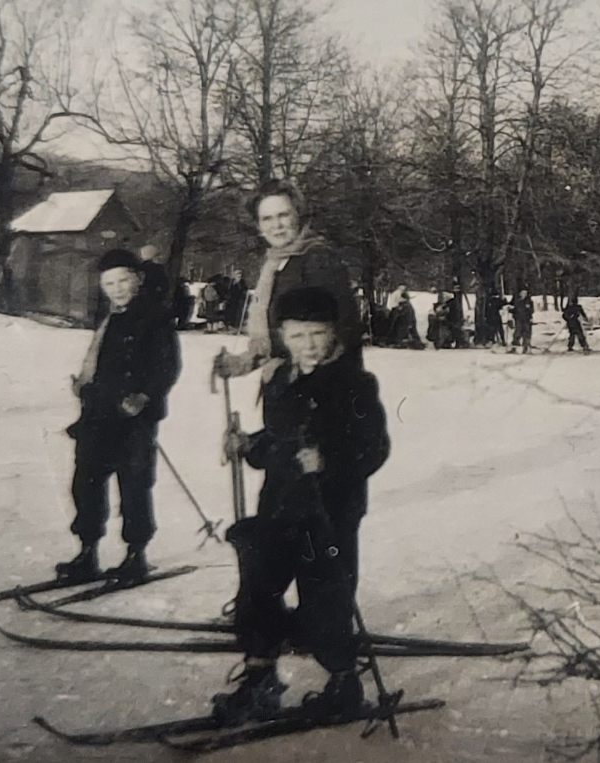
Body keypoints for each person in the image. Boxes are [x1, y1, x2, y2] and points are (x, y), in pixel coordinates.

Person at [214, 286, 389, 725]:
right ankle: (260, 679)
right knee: (258, 590)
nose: (307, 345)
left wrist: (329, 462)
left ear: (333, 334)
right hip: (278, 504)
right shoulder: (277, 379)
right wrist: (247, 445)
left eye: (316, 334)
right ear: (282, 336)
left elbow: (375, 448)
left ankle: (344, 683)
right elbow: (277, 439)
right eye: (296, 336)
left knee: (325, 596)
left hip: (327, 511)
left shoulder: (354, 383)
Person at [56, 249, 182, 586]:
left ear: (138, 279)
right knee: (86, 482)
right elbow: (99, 362)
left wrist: (144, 395)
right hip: (98, 415)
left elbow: (167, 366)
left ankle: (135, 555)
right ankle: (87, 552)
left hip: (133, 418)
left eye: (124, 280)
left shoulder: (156, 318)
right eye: (110, 283)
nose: (117, 288)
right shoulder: (108, 317)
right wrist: (85, 387)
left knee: (134, 484)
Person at [212, 180, 361, 380]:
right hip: (284, 384)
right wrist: (243, 362)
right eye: (267, 219)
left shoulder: (318, 259)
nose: (277, 226)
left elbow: (340, 333)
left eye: (283, 215)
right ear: (258, 225)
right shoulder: (275, 264)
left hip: (317, 387)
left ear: (298, 215)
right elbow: (278, 333)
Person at [509, 288, 535, 354]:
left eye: (525, 293)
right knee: (517, 333)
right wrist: (510, 310)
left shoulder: (529, 302)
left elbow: (531, 310)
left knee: (526, 334)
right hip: (519, 320)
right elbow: (515, 310)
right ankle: (514, 348)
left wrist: (529, 316)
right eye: (522, 293)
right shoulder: (518, 302)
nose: (523, 294)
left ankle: (525, 348)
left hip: (526, 320)